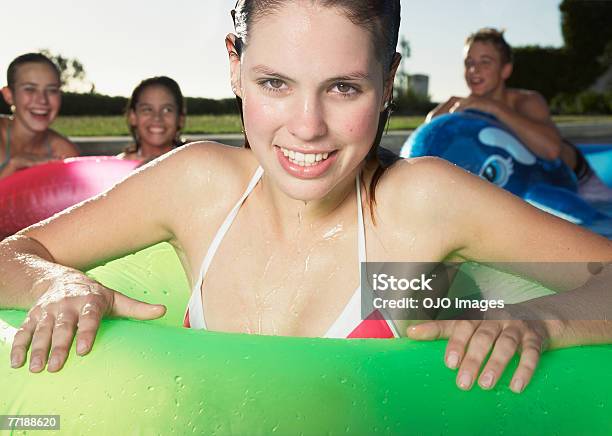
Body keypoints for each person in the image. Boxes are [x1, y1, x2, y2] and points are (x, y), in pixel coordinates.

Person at [0, 1, 611, 396]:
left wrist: (539, 319)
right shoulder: (198, 187)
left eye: (344, 88)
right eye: (275, 83)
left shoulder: (418, 207)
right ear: (235, 66)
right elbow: (14, 252)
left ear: (388, 80)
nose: (307, 127)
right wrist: (57, 283)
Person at [426, 28, 611, 201]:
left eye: (485, 62)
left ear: (505, 70)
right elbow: (424, 142)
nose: (474, 69)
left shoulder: (525, 101)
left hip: (580, 184)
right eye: (469, 62)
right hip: (529, 186)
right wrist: (441, 114)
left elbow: (551, 150)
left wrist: (493, 107)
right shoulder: (464, 108)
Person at [0, 53, 80, 179]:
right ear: (9, 95)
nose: (42, 100)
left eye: (52, 90)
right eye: (30, 89)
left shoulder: (64, 152)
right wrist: (13, 166)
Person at [117, 76, 186, 163]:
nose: (157, 117)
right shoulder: (117, 167)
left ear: (180, 119)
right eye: (147, 109)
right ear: (133, 116)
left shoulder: (195, 163)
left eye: (167, 110)